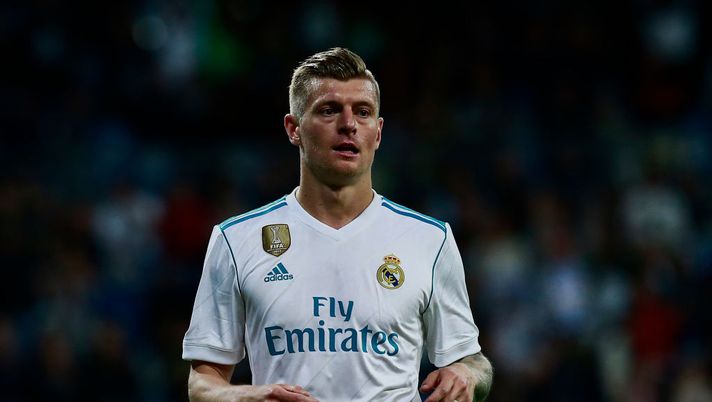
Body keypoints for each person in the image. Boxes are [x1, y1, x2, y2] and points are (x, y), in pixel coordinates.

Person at [183, 47, 493, 402]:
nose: (349, 124)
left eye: (363, 112)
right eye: (329, 110)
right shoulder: (237, 240)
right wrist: (249, 397)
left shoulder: (430, 239)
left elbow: (474, 362)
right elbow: (202, 383)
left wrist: (467, 374)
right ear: (294, 129)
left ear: (378, 133)